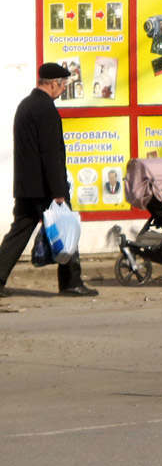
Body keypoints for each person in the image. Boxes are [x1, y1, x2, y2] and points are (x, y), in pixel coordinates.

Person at [0, 63, 98, 298]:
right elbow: (50, 154)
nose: (63, 89)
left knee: (19, 232)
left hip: (26, 185)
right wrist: (58, 190)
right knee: (68, 229)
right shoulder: (46, 110)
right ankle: (71, 282)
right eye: (63, 84)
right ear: (54, 83)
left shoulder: (26, 105)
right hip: (44, 186)